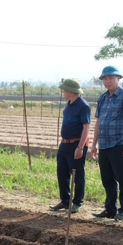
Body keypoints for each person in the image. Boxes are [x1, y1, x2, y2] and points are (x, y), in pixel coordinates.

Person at [90, 66, 123, 221]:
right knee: (107, 179)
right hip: (104, 145)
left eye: (111, 78)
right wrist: (94, 144)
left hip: (119, 144)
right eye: (105, 78)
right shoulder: (102, 98)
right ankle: (110, 209)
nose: (107, 81)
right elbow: (98, 122)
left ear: (118, 78)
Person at [51, 78, 91, 213]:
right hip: (64, 144)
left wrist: (80, 147)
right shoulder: (69, 104)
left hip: (76, 144)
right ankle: (65, 200)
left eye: (64, 90)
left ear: (70, 91)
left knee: (77, 174)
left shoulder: (83, 106)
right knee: (62, 173)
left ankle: (77, 202)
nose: (63, 92)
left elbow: (86, 127)